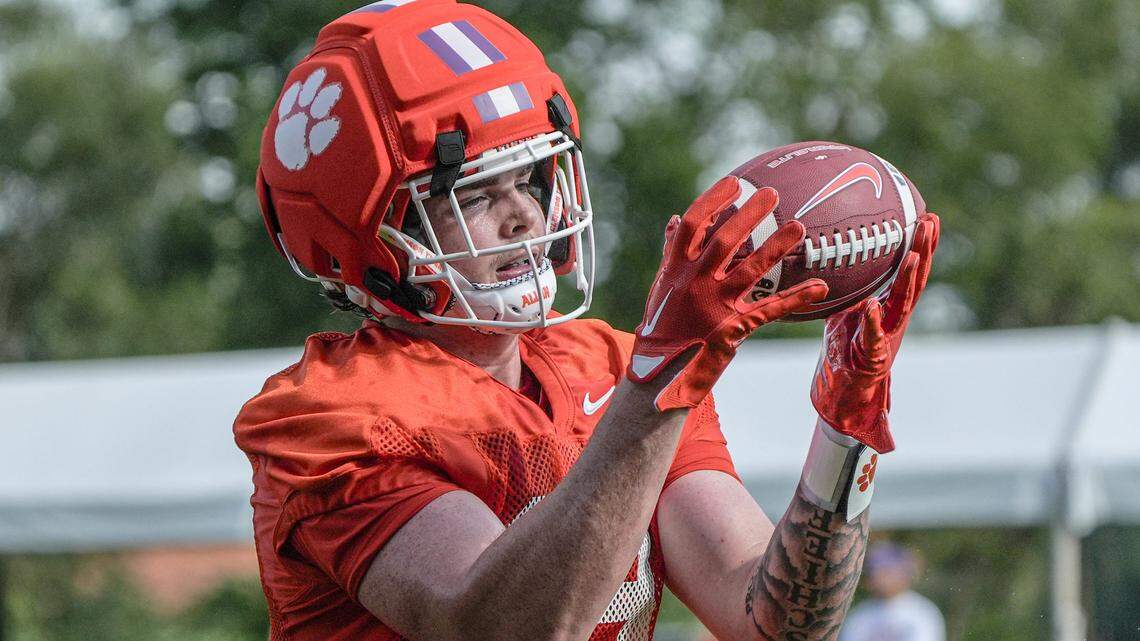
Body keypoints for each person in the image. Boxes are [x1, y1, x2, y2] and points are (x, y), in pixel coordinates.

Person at [233, 1, 941, 640]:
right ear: (366, 235)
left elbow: (772, 618)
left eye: (532, 178)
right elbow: (501, 628)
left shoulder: (609, 365)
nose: (527, 214)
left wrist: (844, 434)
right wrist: (659, 383)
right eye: (474, 192)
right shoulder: (324, 416)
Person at [839, 543, 946, 641]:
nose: (878, 576)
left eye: (886, 571)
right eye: (874, 570)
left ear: (903, 573)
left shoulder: (923, 612)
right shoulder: (860, 614)